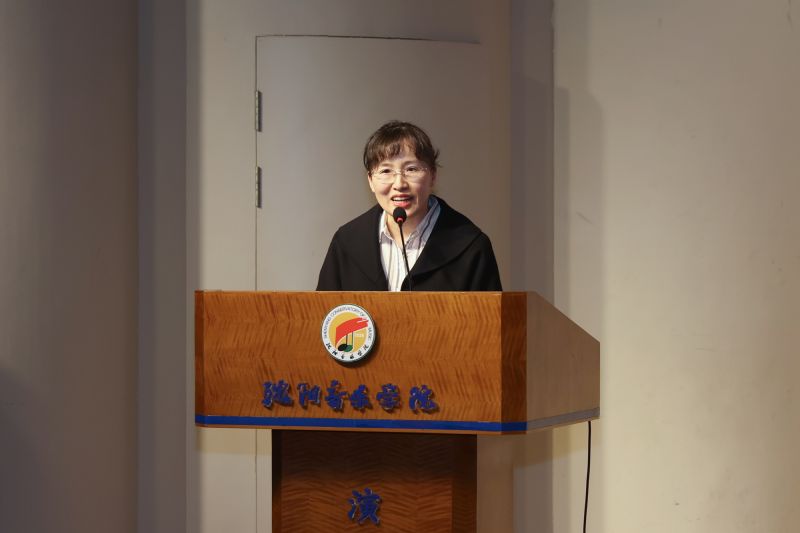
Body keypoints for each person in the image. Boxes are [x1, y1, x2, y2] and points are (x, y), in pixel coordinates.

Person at [316, 120, 502, 292]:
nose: (399, 184)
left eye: (411, 169)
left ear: (433, 176)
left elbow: (488, 316)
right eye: (386, 171)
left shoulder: (470, 246)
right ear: (371, 181)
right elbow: (325, 313)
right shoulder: (347, 242)